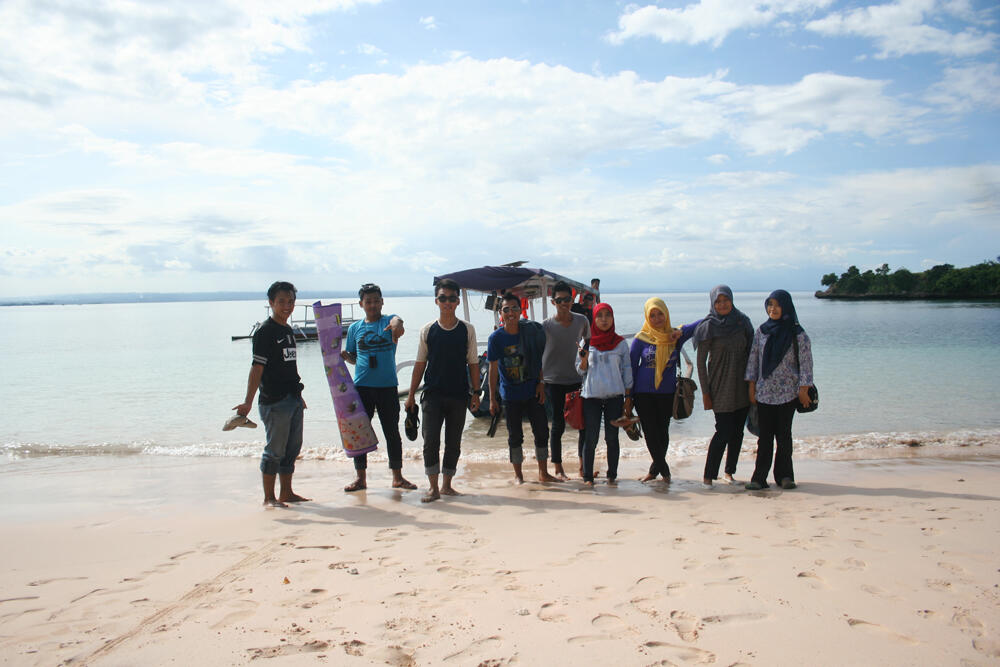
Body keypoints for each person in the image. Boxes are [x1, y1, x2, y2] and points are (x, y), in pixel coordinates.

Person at [233, 281, 310, 507]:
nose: (287, 306)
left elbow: (289, 367)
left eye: (291, 301)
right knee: (274, 450)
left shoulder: (287, 330)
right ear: (271, 303)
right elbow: (257, 368)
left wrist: (298, 394)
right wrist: (247, 402)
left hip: (293, 398)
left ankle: (287, 493)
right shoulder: (265, 332)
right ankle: (269, 498)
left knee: (292, 448)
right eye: (282, 302)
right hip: (274, 401)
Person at [404, 279, 481, 503]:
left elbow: (473, 363)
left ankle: (447, 485)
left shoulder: (467, 329)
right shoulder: (428, 330)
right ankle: (433, 487)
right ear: (436, 301)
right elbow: (420, 364)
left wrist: (476, 392)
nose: (447, 302)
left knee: (453, 442)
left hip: (459, 395)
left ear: (457, 301)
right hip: (432, 395)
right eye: (443, 298)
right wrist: (410, 395)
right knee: (430, 441)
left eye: (452, 298)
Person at [341, 283, 415, 492]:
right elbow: (354, 358)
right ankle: (360, 479)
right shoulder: (355, 328)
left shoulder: (388, 322)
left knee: (391, 432)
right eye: (368, 301)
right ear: (361, 304)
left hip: (387, 387)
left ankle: (397, 477)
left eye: (376, 301)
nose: (372, 305)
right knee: (359, 433)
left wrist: (397, 325)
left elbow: (397, 321)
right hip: (361, 387)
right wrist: (345, 358)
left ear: (382, 302)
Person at [744, 290, 814, 491]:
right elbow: (754, 359)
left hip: (788, 393)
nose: (772, 309)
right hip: (764, 392)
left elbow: (806, 364)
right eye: (769, 305)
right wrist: (751, 386)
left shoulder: (797, 334)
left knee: (784, 437)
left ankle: (785, 476)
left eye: (777, 305)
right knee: (764, 438)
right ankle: (759, 478)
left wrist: (803, 389)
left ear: (786, 307)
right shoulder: (762, 331)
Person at [488, 292, 560, 484]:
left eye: (514, 308)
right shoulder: (496, 338)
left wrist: (541, 383)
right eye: (506, 309)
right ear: (501, 313)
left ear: (521, 310)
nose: (510, 313)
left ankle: (543, 473)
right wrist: (492, 398)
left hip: (532, 391)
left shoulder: (532, 332)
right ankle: (518, 475)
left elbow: (538, 360)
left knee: (542, 431)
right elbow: (493, 370)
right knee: (515, 436)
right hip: (510, 395)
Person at [628, 298, 700, 483]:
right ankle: (665, 472)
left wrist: (680, 331)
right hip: (643, 393)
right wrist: (628, 396)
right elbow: (631, 369)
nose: (657, 318)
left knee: (663, 432)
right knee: (650, 432)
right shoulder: (640, 339)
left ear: (666, 313)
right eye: (652, 315)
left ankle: (654, 471)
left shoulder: (674, 336)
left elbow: (703, 322)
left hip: (667, 393)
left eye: (660, 313)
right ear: (647, 316)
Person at [693, 286, 754, 487]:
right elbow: (700, 363)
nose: (722, 304)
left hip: (742, 385)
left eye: (725, 300)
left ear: (732, 300)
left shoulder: (742, 322)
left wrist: (754, 385)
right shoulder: (708, 326)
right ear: (712, 303)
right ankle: (709, 475)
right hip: (720, 386)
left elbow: (753, 354)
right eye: (718, 301)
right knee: (723, 431)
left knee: (738, 432)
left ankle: (729, 472)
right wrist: (705, 393)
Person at [576, 302, 633, 487]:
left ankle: (612, 475)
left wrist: (628, 397)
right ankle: (587, 477)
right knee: (590, 437)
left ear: (613, 318)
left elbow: (626, 370)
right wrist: (583, 361)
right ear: (594, 319)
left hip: (614, 397)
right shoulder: (587, 343)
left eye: (608, 315)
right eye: (600, 316)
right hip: (591, 396)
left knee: (612, 437)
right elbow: (580, 371)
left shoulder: (621, 343)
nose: (604, 319)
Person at [542, 281, 591, 480]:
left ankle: (582, 467)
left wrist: (585, 359)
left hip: (576, 379)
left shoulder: (581, 321)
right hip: (552, 381)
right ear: (553, 302)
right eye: (560, 300)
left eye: (567, 299)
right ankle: (558, 469)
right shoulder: (546, 325)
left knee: (582, 424)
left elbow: (589, 342)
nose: (564, 303)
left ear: (572, 300)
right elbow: (537, 352)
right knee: (558, 425)